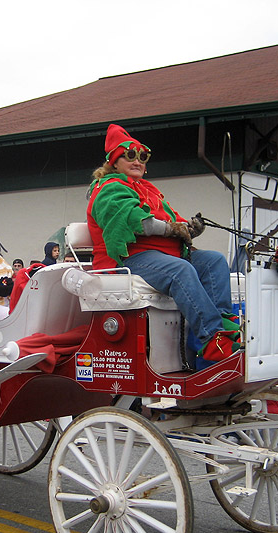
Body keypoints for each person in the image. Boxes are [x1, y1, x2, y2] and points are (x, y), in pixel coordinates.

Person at [87, 124, 238, 363]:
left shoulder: (149, 189)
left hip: (165, 255)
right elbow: (135, 222)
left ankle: (226, 333)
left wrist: (189, 229)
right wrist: (172, 229)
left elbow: (171, 221)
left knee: (214, 261)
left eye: (143, 157)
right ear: (114, 162)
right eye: (130, 156)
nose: (137, 162)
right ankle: (213, 339)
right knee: (182, 270)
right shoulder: (108, 189)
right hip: (130, 257)